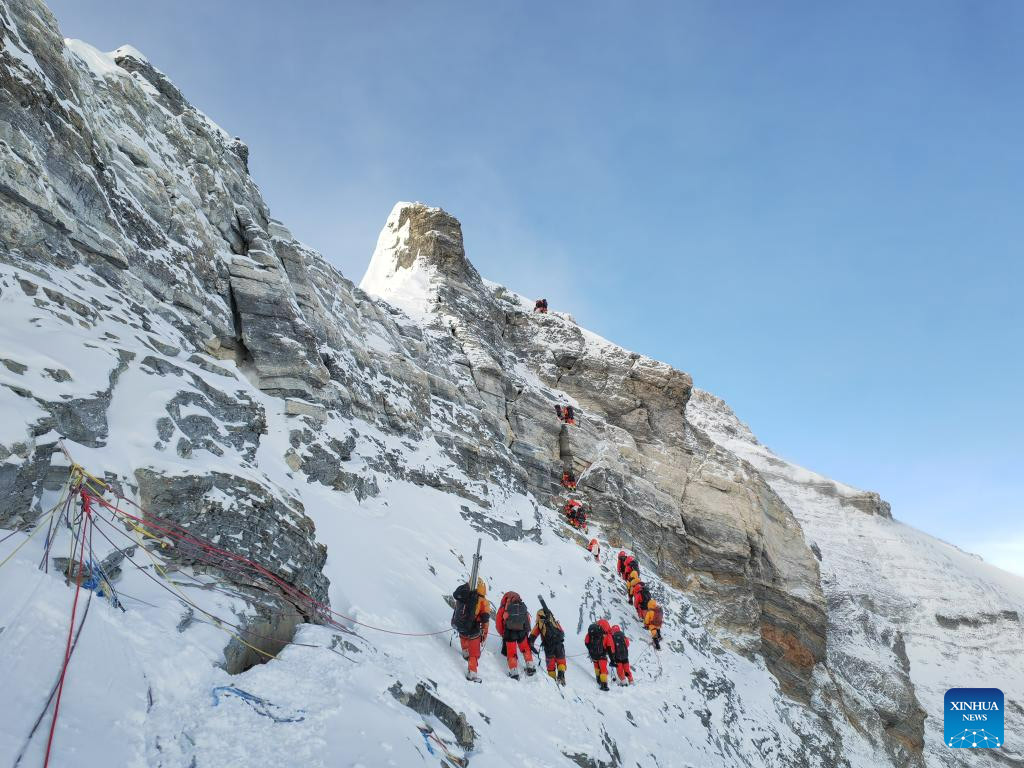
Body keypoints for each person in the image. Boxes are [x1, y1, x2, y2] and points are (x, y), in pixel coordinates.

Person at [451, 579, 491, 681]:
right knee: (474, 653)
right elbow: (485, 621)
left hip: (459, 625)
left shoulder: (463, 593)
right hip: (472, 629)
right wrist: (484, 636)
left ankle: (465, 653)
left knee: (464, 635)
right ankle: (472, 673)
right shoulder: (483, 601)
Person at [495, 591, 536, 679]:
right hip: (521, 631)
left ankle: (514, 672)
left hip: (509, 632)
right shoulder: (521, 605)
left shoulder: (504, 607)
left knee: (511, 652)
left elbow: (498, 621)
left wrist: (502, 633)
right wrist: (526, 632)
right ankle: (530, 666)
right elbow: (527, 619)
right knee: (525, 648)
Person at [529, 606, 567, 685]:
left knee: (551, 665)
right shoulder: (554, 621)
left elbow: (533, 635)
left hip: (548, 646)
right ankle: (561, 675)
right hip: (559, 644)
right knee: (561, 661)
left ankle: (553, 681)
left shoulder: (540, 623)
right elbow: (562, 632)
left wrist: (530, 643)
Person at [584, 619, 614, 691]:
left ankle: (598, 678)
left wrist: (590, 649)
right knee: (603, 669)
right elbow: (610, 648)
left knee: (596, 666)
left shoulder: (590, 633)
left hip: (593, 654)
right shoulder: (607, 635)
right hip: (602, 654)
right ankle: (604, 684)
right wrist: (612, 659)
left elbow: (586, 642)